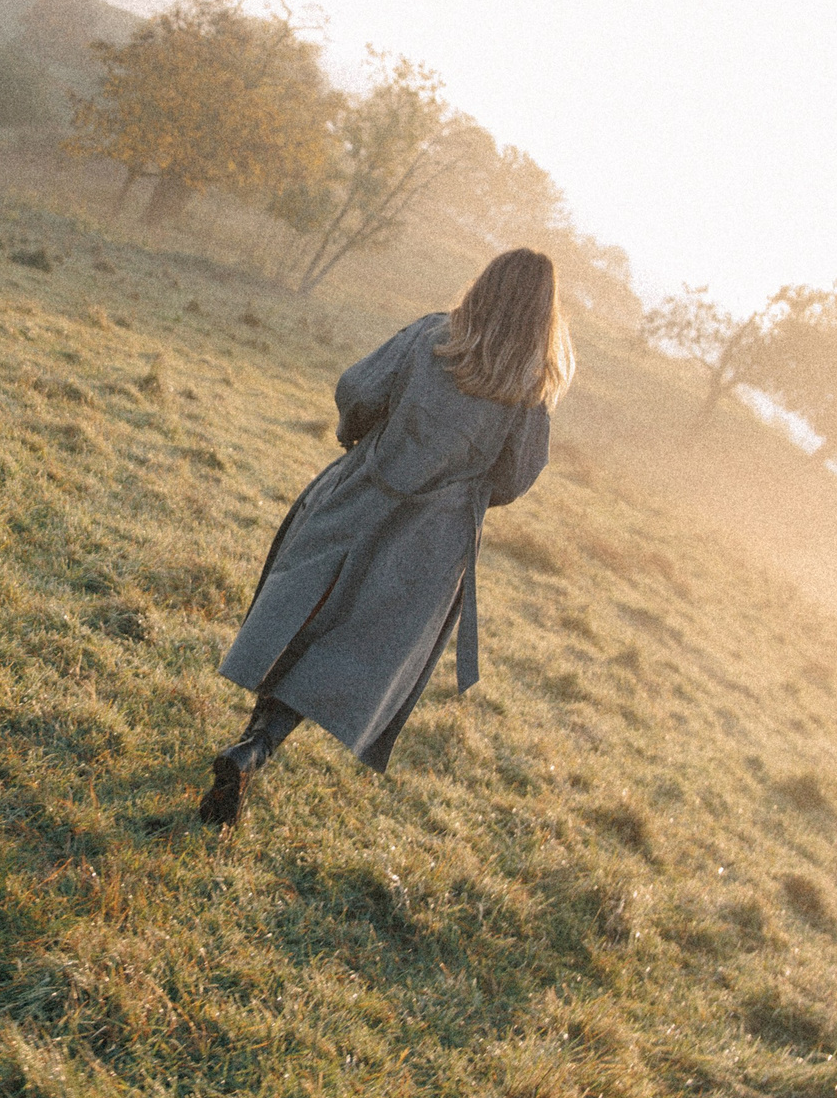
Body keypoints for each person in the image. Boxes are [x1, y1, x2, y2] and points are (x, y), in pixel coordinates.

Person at [199, 247, 574, 824]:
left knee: (304, 614)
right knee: (349, 650)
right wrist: (462, 498)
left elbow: (359, 389)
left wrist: (362, 441)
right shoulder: (529, 390)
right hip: (432, 544)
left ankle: (251, 747)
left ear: (484, 285)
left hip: (360, 496)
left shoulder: (432, 336)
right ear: (543, 313)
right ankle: (255, 750)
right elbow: (515, 476)